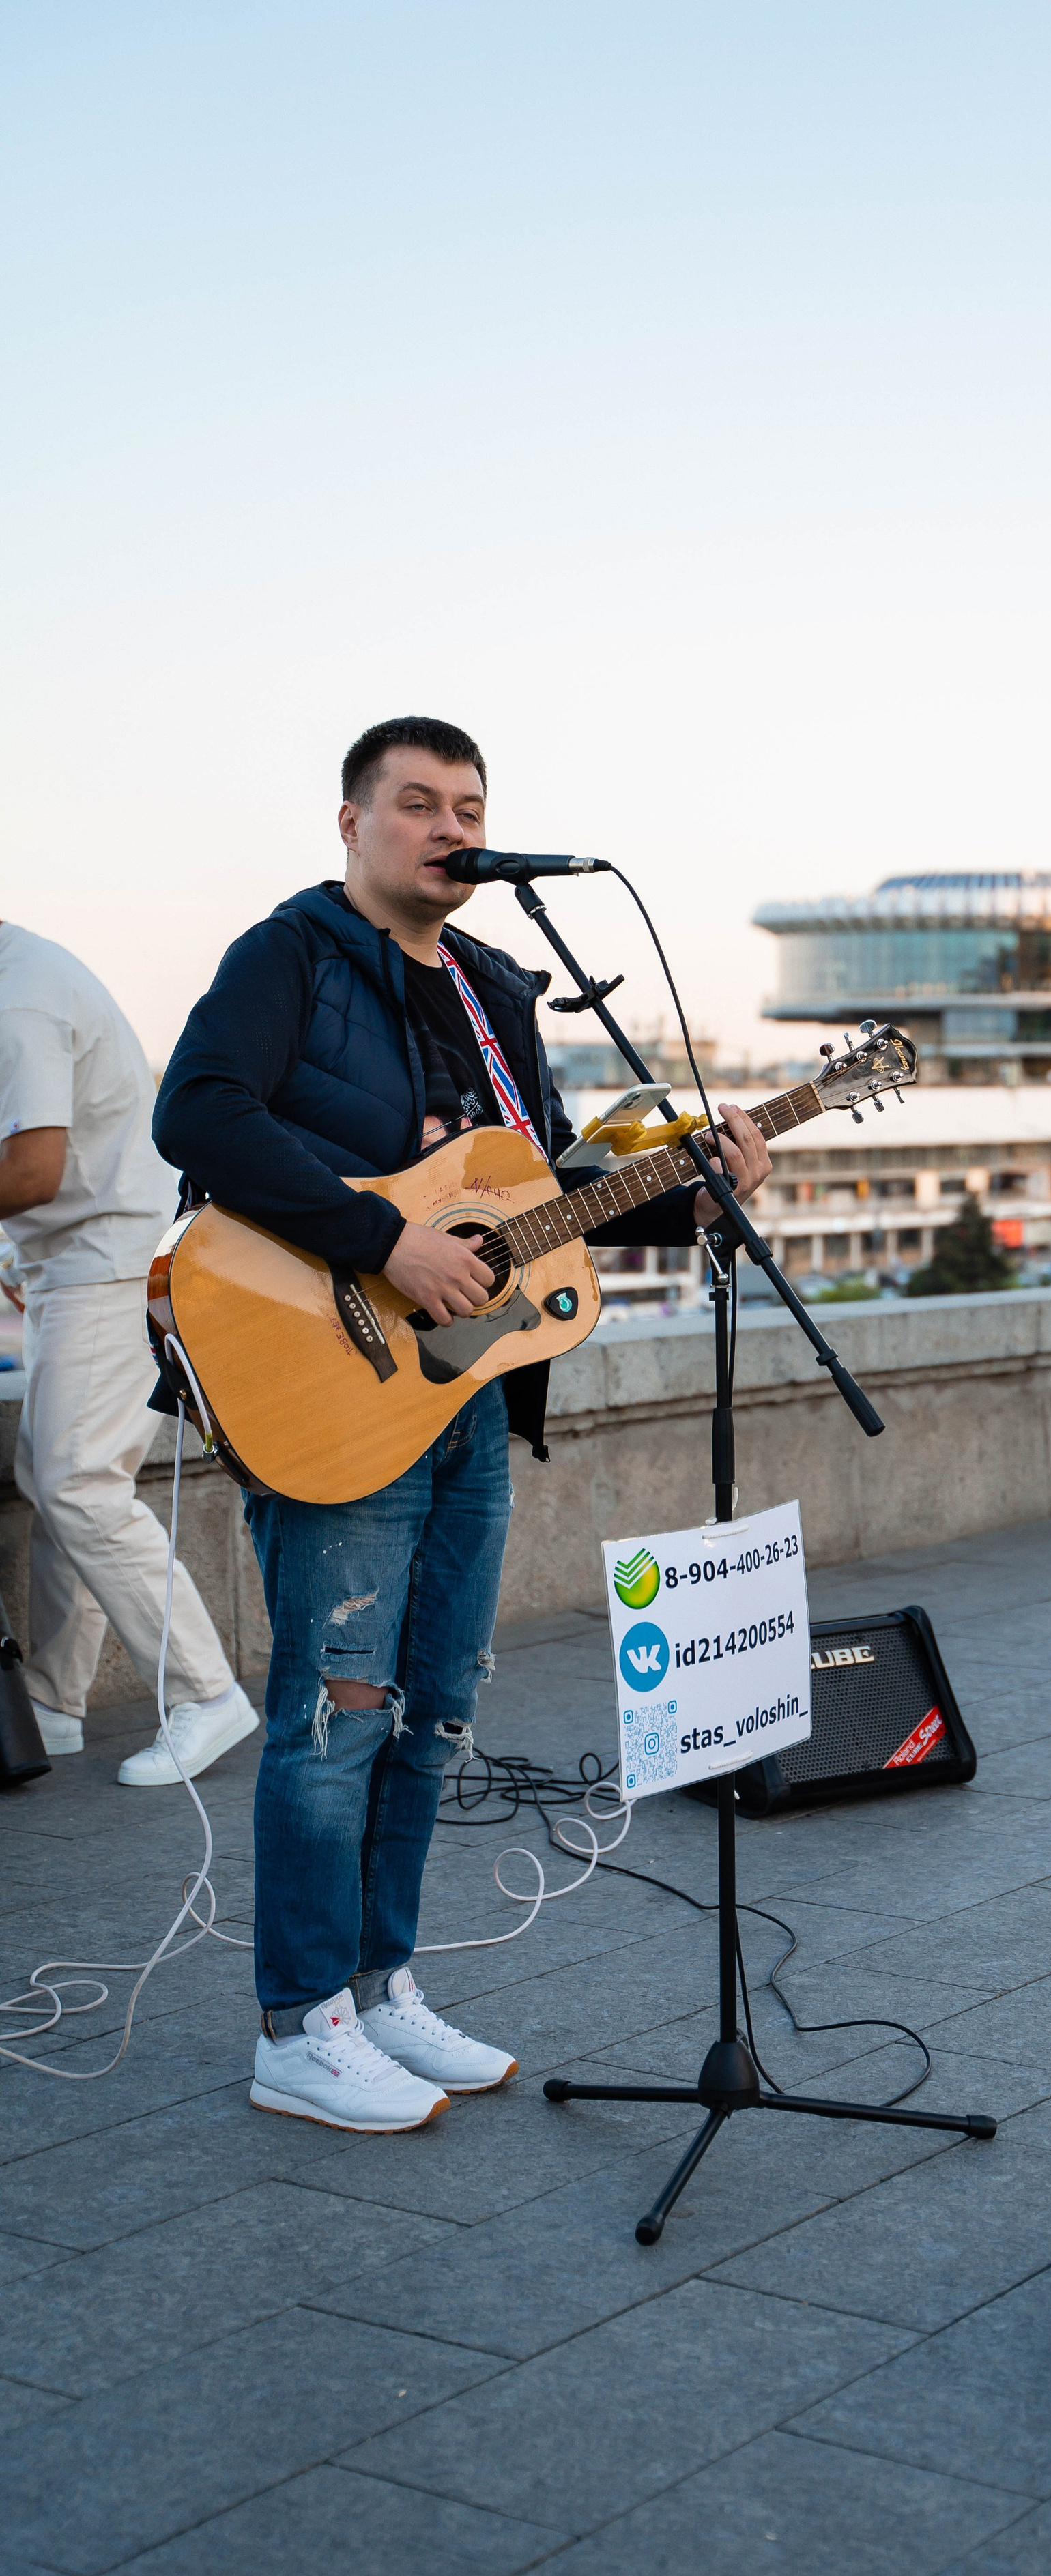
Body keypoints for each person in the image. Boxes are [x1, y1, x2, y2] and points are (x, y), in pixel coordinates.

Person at [154, 715, 771, 2133]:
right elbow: (198, 1116)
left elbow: (535, 1203)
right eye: (417, 804)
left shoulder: (497, 986)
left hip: (463, 1396)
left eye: (469, 806)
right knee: (334, 1712)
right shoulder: (290, 955)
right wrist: (379, 1240)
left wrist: (697, 1189)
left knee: (435, 1708)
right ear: (353, 825)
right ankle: (295, 2025)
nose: (448, 827)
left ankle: (382, 1990)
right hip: (324, 1358)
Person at [0, 923, 256, 1784]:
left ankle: (205, 1692)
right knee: (58, 1478)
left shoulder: (22, 993)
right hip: (79, 1259)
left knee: (77, 1481)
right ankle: (54, 1700)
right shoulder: (22, 974)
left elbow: (34, 1168)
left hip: (109, 1261)